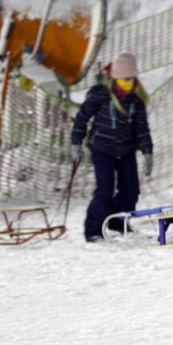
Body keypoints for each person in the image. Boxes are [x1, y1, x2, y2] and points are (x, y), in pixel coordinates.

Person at [71, 53, 154, 242]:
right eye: (125, 79)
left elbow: (142, 129)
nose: (129, 82)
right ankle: (93, 230)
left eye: (132, 79)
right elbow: (82, 118)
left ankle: (117, 221)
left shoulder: (136, 101)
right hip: (102, 150)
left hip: (126, 151)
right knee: (105, 189)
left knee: (131, 189)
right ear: (116, 78)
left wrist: (147, 151)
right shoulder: (101, 95)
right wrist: (76, 142)